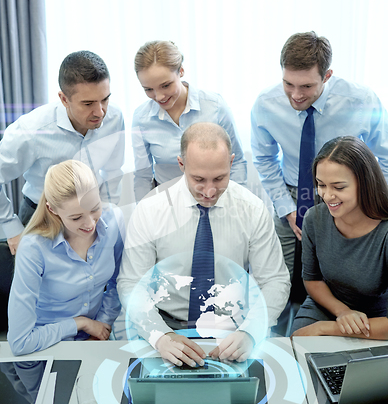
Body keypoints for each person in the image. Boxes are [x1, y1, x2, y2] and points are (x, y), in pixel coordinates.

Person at [118, 122, 290, 366]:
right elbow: (132, 283)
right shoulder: (150, 209)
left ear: (231, 163)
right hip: (166, 326)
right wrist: (160, 336)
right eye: (198, 179)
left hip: (233, 329)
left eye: (219, 178)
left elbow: (274, 280)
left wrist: (251, 331)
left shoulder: (252, 209)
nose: (209, 191)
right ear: (181, 165)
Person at [251, 31, 388, 277]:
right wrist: (287, 208)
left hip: (348, 196)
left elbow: (386, 156)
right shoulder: (265, 104)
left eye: (306, 86)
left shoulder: (361, 101)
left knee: (338, 276)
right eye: (288, 84)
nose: (296, 95)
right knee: (280, 276)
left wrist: (370, 201)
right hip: (293, 195)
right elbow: (264, 158)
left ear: (327, 76)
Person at [0, 50, 125, 255]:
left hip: (91, 215)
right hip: (43, 219)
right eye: (88, 104)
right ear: (64, 99)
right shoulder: (30, 131)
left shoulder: (115, 117)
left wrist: (108, 215)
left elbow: (113, 170)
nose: (100, 112)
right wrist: (11, 229)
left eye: (105, 99)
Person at [7, 160, 125, 356]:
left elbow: (118, 282)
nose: (90, 224)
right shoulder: (34, 247)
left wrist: (102, 324)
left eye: (95, 208)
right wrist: (80, 324)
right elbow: (20, 343)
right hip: (45, 344)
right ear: (52, 209)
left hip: (96, 337)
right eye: (76, 217)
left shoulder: (114, 220)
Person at [291, 137, 388, 340]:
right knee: (298, 348)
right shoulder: (314, 218)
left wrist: (327, 328)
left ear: (365, 183)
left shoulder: (385, 231)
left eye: (338, 187)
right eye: (321, 185)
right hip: (326, 305)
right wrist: (342, 312)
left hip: (380, 318)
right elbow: (312, 280)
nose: (326, 196)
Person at [132, 40, 247, 202]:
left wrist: (237, 203)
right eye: (149, 89)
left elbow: (237, 162)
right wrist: (142, 214)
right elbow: (143, 176)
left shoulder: (215, 106)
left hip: (217, 200)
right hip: (169, 204)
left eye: (165, 85)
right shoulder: (141, 118)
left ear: (181, 71)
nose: (158, 96)